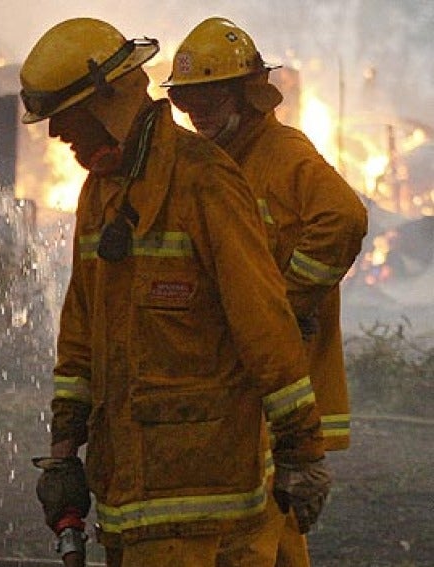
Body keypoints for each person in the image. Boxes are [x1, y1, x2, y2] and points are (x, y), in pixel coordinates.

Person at [20, 18, 331, 566]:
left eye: (64, 118)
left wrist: (300, 450)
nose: (55, 136)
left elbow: (264, 324)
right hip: (129, 496)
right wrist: (64, 450)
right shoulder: (100, 192)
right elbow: (79, 332)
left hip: (205, 497)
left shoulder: (205, 180)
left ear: (107, 101)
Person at [162, 17, 369, 566]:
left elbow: (344, 218)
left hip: (277, 388)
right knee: (276, 538)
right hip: (244, 386)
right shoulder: (219, 162)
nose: (198, 114)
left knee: (247, 536)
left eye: (210, 98)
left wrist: (285, 303)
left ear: (248, 93)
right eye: (188, 103)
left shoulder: (281, 153)